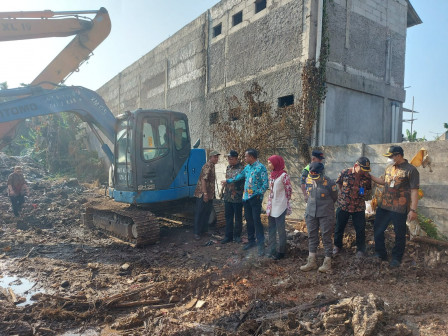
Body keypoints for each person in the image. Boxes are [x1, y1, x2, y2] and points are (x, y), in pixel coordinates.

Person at [369, 146, 420, 268]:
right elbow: (383, 182)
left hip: (399, 208)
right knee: (378, 229)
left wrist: (413, 210)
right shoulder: (389, 168)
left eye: (391, 156)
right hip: (384, 206)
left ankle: (396, 258)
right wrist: (369, 175)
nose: (389, 159)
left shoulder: (411, 170)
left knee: (399, 234)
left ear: (398, 155)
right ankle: (380, 254)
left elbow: (414, 191)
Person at [223, 149, 269, 256]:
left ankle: (261, 245)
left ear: (252, 157)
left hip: (255, 198)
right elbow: (239, 176)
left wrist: (259, 194)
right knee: (249, 221)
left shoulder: (261, 168)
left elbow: (265, 184)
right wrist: (228, 181)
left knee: (256, 221)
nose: (244, 158)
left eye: (246, 156)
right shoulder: (247, 168)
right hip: (246, 198)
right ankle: (251, 241)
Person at [300, 162, 338, 273]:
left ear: (322, 173)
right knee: (312, 236)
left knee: (326, 237)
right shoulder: (309, 180)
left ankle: (327, 262)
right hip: (311, 212)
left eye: (316, 177)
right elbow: (307, 193)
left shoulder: (330, 183)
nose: (314, 179)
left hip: (325, 213)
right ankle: (311, 262)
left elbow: (334, 197)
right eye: (313, 177)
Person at [333, 157, 372, 257]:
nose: (364, 172)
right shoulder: (345, 172)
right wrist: (343, 194)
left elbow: (367, 189)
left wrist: (361, 194)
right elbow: (339, 183)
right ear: (356, 166)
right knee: (339, 227)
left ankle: (360, 250)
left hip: (358, 207)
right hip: (344, 205)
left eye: (366, 170)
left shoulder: (366, 177)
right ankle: (337, 246)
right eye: (363, 169)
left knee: (360, 229)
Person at [266, 155, 292, 260]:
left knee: (280, 230)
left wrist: (284, 201)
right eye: (268, 163)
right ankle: (272, 249)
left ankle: (281, 252)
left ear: (276, 163)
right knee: (271, 229)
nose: (268, 165)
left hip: (280, 205)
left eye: (270, 163)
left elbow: (289, 190)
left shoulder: (284, 176)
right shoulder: (272, 175)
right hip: (272, 205)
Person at [193, 150, 220, 240]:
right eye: (215, 157)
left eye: (217, 157)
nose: (217, 158)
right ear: (210, 157)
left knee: (206, 212)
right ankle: (197, 233)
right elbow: (203, 180)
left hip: (209, 194)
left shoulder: (212, 166)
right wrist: (205, 194)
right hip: (202, 194)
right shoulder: (207, 166)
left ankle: (204, 230)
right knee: (200, 213)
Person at [221, 150, 244, 244]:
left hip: (237, 197)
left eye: (230, 158)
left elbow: (242, 182)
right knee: (228, 217)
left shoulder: (242, 168)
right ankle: (228, 236)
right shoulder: (228, 167)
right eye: (228, 158)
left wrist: (236, 191)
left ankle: (237, 236)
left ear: (236, 158)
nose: (229, 160)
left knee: (238, 217)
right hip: (227, 197)